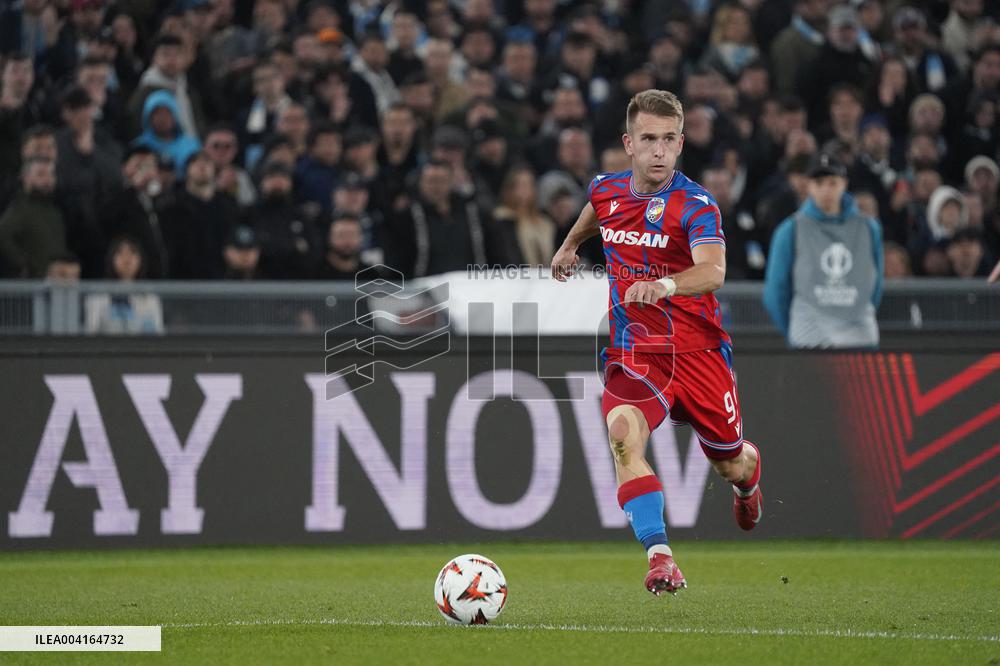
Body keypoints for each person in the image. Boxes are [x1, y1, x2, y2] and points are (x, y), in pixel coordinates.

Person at [550, 90, 763, 596]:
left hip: (699, 355)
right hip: (637, 353)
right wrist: (571, 243)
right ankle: (660, 558)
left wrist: (665, 284)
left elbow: (713, 270)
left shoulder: (695, 204)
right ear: (629, 143)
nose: (659, 150)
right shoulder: (607, 190)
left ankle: (749, 480)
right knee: (623, 436)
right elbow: (597, 210)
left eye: (669, 139)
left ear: (681, 143)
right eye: (649, 139)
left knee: (729, 462)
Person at [764, 152, 884, 348]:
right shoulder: (790, 230)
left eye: (832, 183)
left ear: (844, 184)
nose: (826, 190)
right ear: (809, 186)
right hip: (809, 343)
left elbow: (875, 283)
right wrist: (795, 331)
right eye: (819, 183)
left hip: (860, 341)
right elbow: (776, 291)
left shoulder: (869, 228)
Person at [84, 236, 164, 335]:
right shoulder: (99, 294)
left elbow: (157, 332)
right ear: (111, 259)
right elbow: (91, 332)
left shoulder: (149, 295)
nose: (127, 259)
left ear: (140, 259)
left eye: (132, 253)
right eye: (120, 253)